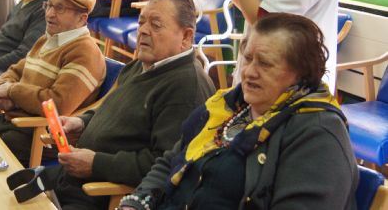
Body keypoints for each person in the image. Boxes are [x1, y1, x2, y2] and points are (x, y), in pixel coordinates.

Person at [119, 13, 358, 210]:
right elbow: (172, 159)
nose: (249, 72)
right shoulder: (228, 107)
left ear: (300, 72)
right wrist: (136, 202)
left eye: (265, 63)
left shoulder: (318, 134)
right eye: (248, 58)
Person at [25, 0, 216, 210]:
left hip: (99, 196)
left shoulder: (186, 87)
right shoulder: (141, 65)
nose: (143, 30)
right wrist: (83, 122)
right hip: (69, 181)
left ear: (186, 37)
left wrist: (97, 164)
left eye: (155, 25)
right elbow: (111, 109)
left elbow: (167, 164)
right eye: (141, 21)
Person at [0, 0, 106, 166]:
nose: (50, 14)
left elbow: (58, 104)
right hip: (15, 122)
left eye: (60, 9)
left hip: (42, 137)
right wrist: (4, 87)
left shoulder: (84, 52)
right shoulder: (47, 39)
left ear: (82, 19)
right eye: (48, 5)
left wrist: (12, 92)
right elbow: (15, 71)